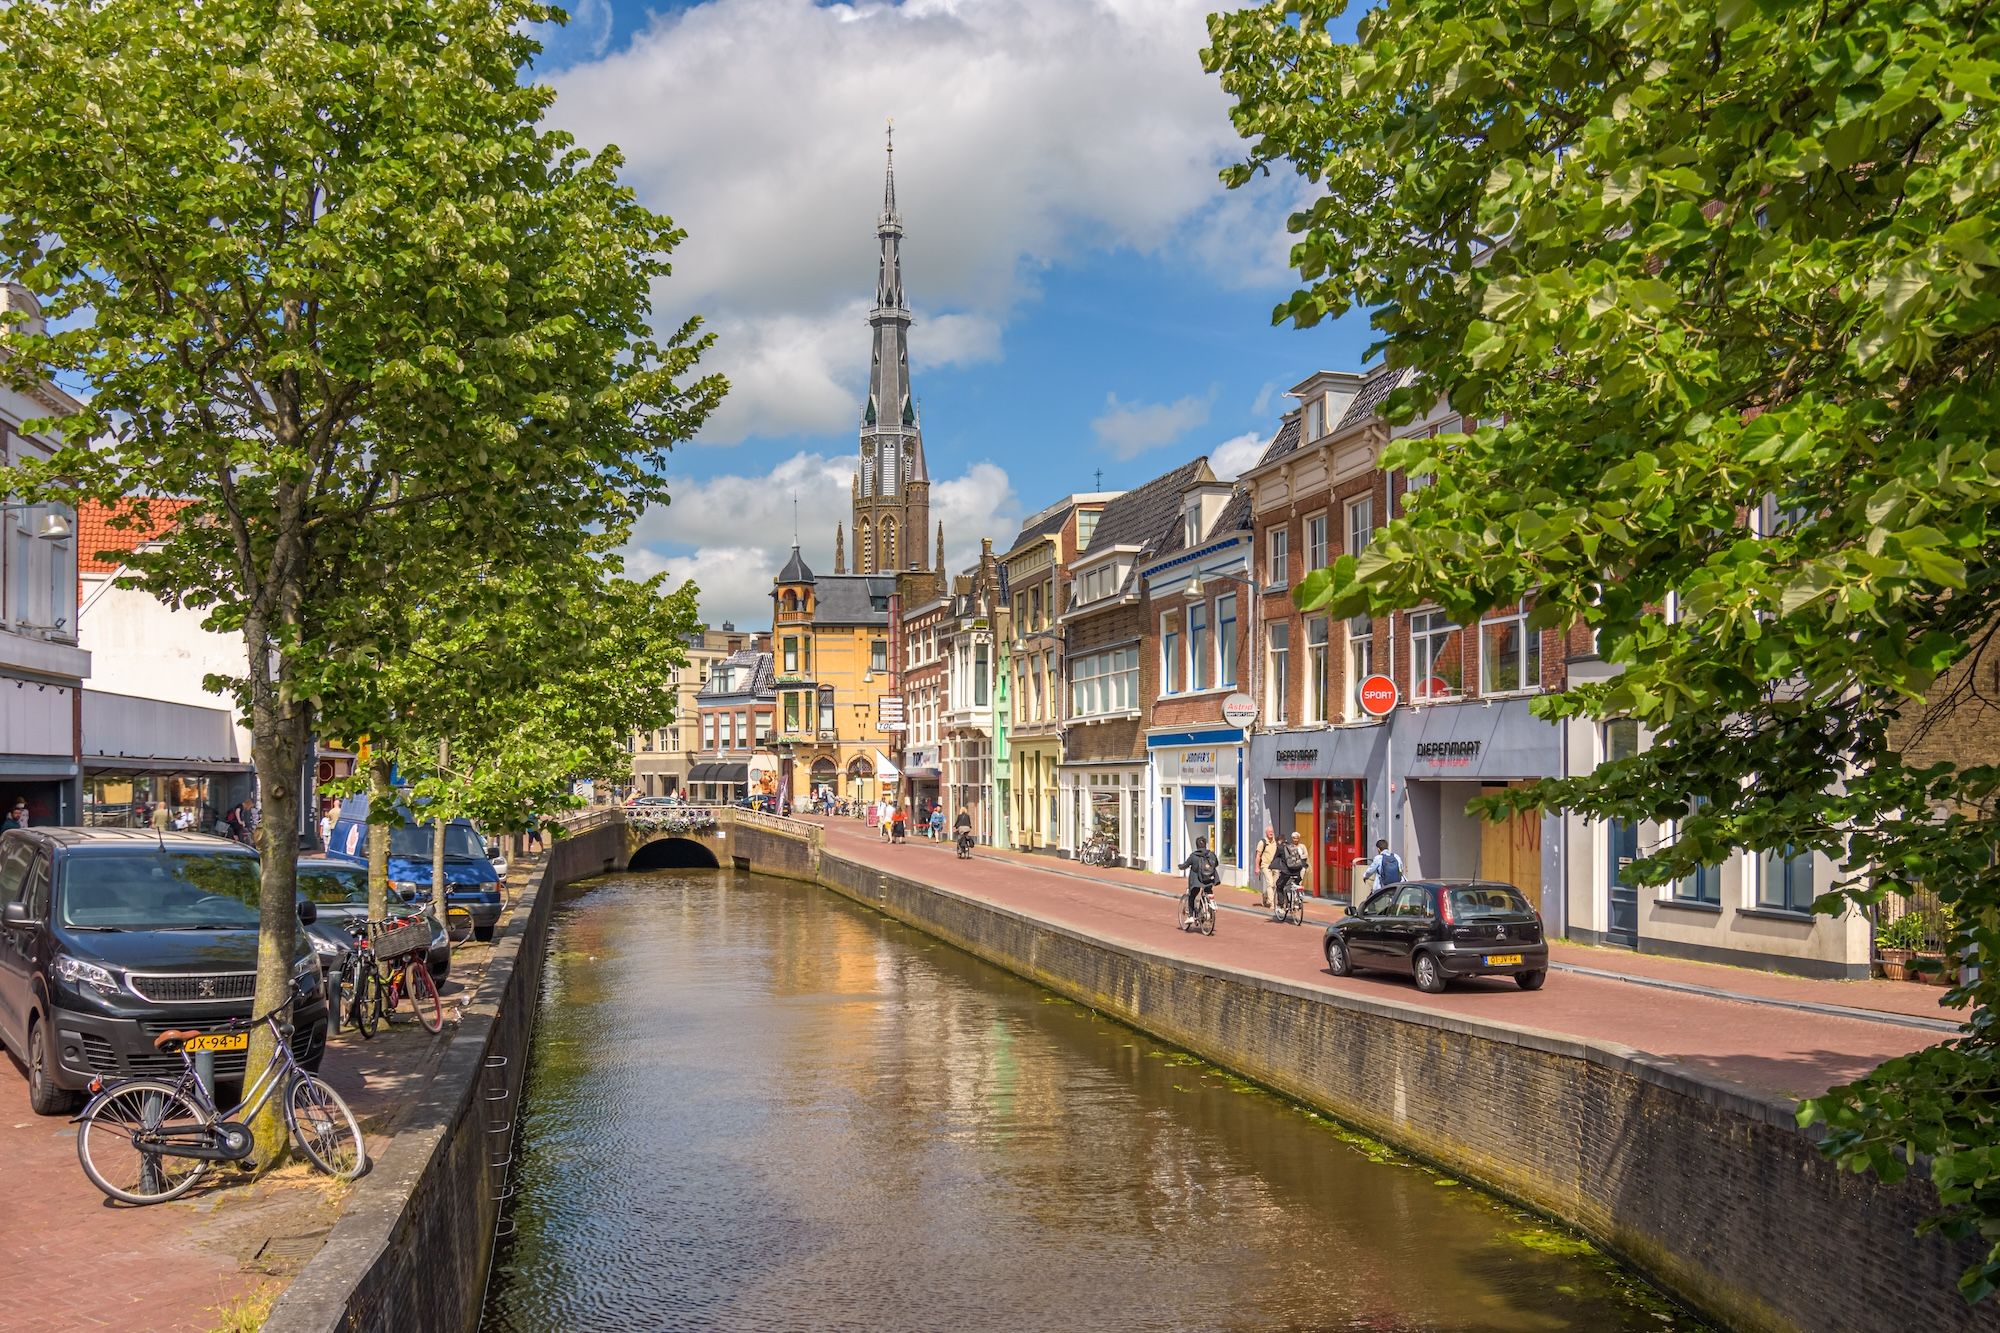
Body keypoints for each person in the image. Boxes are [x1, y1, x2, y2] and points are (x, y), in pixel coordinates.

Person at [1179, 835, 1220, 927]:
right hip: (1209, 879)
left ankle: (1190, 916)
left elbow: (1185, 865)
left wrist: (1180, 866)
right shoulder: (1211, 854)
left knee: (1192, 896)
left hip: (1196, 881)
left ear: (1197, 845)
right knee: (1208, 890)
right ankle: (1211, 901)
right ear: (1205, 844)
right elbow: (1216, 863)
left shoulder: (1193, 856)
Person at [1273, 831, 1309, 918]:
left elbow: (1275, 859)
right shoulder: (1292, 847)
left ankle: (1281, 905)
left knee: (1279, 885)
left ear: (1278, 841)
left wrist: (1272, 867)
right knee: (1295, 884)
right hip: (1298, 869)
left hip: (1288, 871)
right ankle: (1296, 902)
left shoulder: (1281, 848)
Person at [1254, 825, 1278, 909]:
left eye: (1272, 831)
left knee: (1275, 885)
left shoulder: (1276, 842)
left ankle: (1265, 895)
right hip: (1266, 866)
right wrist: (1257, 867)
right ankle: (1271, 903)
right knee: (1270, 883)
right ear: (1266, 833)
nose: (1271, 833)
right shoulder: (1262, 842)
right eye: (1269, 831)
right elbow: (1258, 855)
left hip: (1275, 866)